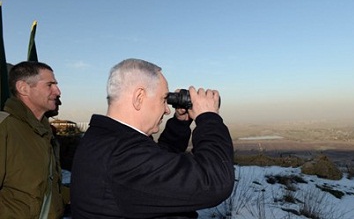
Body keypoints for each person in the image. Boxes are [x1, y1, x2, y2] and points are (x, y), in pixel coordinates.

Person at [71, 58, 235, 218]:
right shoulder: (122, 156)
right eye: (164, 99)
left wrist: (180, 123)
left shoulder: (106, 140)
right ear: (139, 97)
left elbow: (159, 164)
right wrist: (208, 118)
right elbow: (215, 181)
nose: (167, 110)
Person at [0, 61, 65, 218]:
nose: (58, 91)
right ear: (23, 88)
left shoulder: (43, 132)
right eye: (50, 85)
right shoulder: (5, 127)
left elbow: (47, 188)